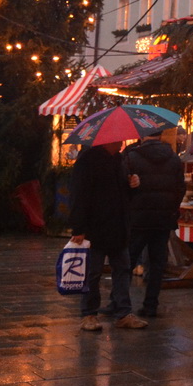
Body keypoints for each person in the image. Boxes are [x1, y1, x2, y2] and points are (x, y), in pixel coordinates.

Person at [69, 136, 133, 330]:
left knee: (122, 270)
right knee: (92, 273)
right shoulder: (87, 162)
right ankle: (88, 314)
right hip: (95, 228)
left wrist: (133, 184)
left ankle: (124, 312)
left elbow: (124, 194)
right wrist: (79, 228)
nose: (121, 143)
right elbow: (79, 196)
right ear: (107, 141)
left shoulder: (120, 161)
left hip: (118, 227)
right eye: (118, 140)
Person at [123, 125, 185, 319]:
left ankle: (121, 303)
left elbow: (124, 187)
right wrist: (171, 208)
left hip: (138, 219)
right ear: (161, 136)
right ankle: (151, 305)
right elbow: (180, 188)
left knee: (129, 260)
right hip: (163, 219)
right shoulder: (174, 158)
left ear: (142, 136)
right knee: (157, 263)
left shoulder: (132, 157)